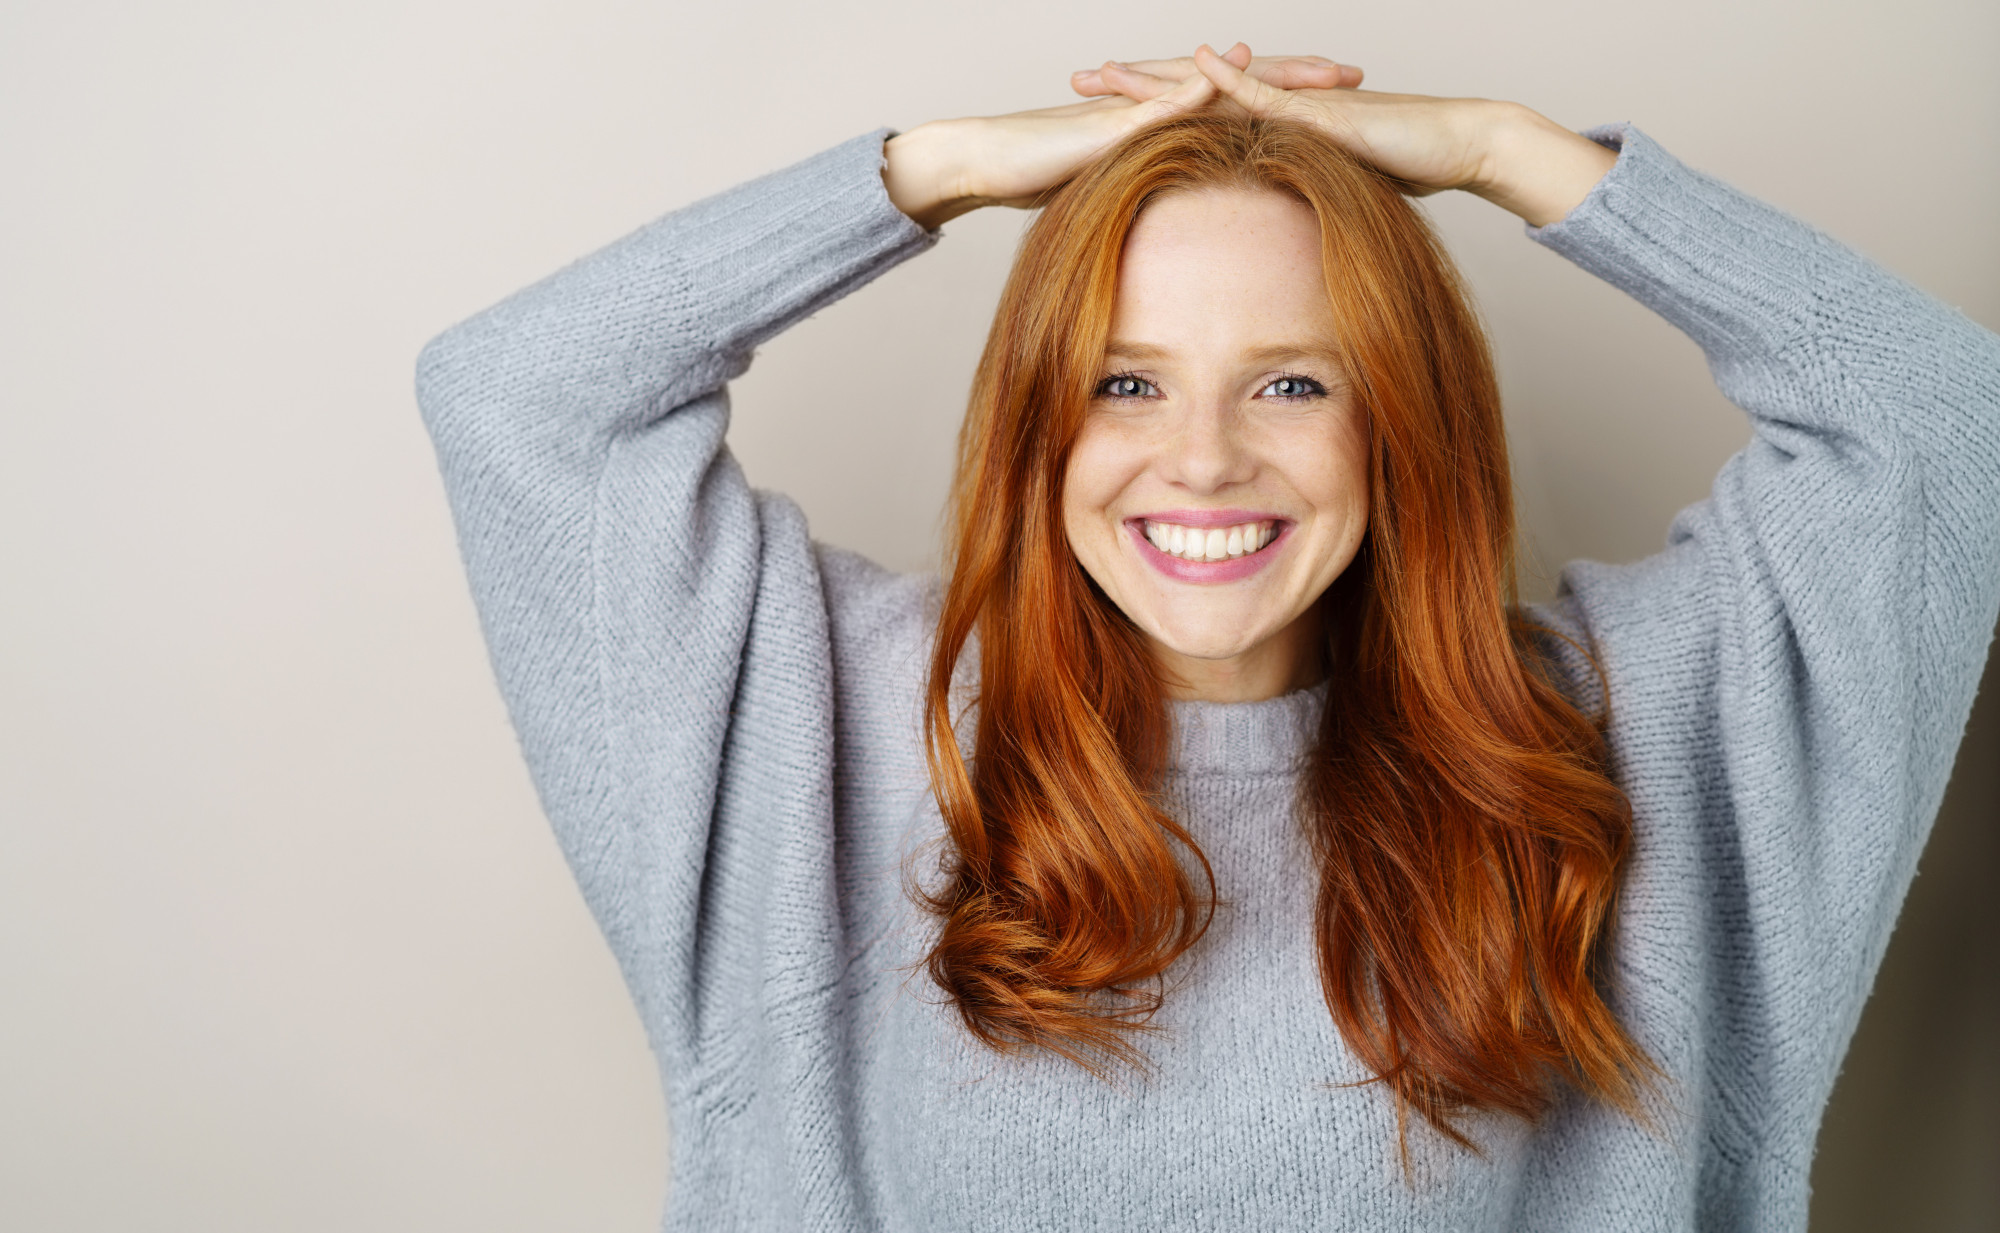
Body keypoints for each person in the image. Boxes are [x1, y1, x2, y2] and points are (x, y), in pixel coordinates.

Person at [415, 43, 2000, 1232]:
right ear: (1041, 422)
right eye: (1125, 378)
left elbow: (1943, 428)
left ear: (1401, 428)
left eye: (1295, 382)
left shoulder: (1605, 734)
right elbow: (518, 399)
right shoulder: (841, 716)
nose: (1203, 454)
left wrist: (1502, 152)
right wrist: (939, 172)